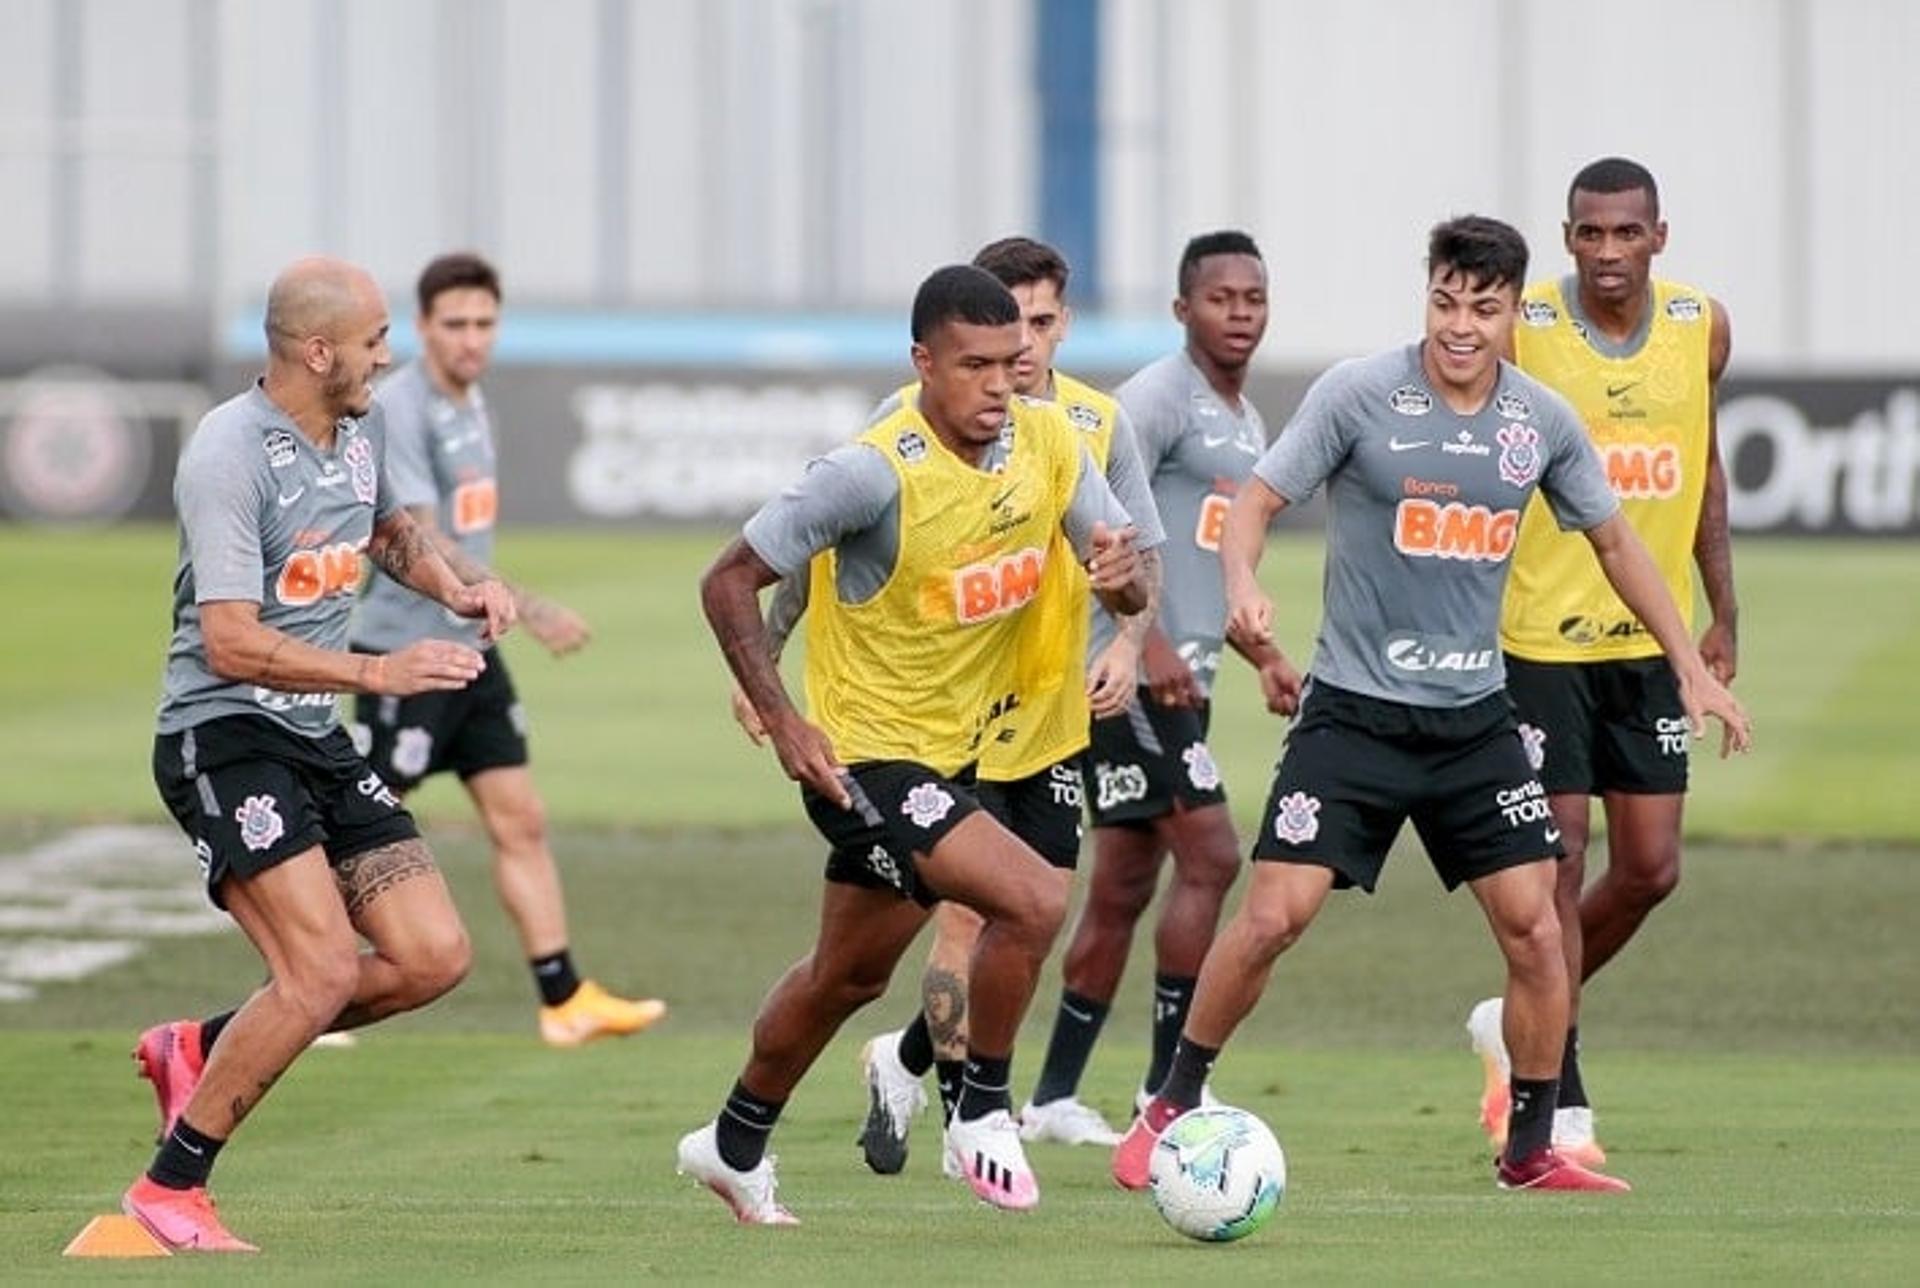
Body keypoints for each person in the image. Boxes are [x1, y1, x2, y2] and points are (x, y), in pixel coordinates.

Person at [1112, 216, 1751, 1195]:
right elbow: (1255, 501)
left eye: (1484, 307)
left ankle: (1531, 1147)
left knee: (1537, 928)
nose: (1461, 325)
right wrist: (1240, 578)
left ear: (1510, 311)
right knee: (1274, 916)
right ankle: (1168, 1103)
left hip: (1474, 723)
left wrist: (1690, 661)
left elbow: (1618, 544)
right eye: (1446, 301)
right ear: (1429, 296)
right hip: (1354, 714)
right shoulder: (1360, 393)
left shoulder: (1538, 420)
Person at [679, 264, 1149, 1222]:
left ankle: (731, 1141)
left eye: (1011, 364)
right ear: (922, 363)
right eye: (972, 365)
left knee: (846, 976)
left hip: (959, 754)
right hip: (860, 757)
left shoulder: (1052, 443)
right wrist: (781, 716)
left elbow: (1129, 584)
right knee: (1034, 897)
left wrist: (1122, 579)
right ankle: (981, 1108)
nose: (996, 386)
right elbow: (727, 579)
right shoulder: (871, 469)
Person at [126, 256, 517, 1251]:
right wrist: (378, 673)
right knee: (320, 971)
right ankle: (171, 1188)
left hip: (311, 733)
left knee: (436, 955)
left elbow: (387, 531)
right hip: (223, 733)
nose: (389, 356)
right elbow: (229, 640)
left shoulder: (360, 428)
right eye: (376, 339)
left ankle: (200, 1044)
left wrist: (457, 588)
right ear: (317, 350)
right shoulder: (228, 452)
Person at [1466, 157, 1738, 1166]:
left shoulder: (1700, 324)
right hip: (1538, 640)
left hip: (1650, 642)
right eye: (1591, 233)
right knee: (1561, 857)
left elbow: (1702, 471)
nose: (1609, 251)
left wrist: (1725, 611)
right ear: (1569, 236)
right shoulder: (1524, 325)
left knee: (1652, 869)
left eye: (1628, 233)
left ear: (1659, 236)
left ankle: (1518, 1016)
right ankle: (1561, 1080)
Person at [349, 252, 665, 1047]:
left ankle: (564, 999)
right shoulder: (403, 409)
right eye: (454, 324)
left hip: (473, 648)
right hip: (406, 653)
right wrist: (529, 601)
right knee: (355, 826)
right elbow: (421, 535)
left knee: (520, 817)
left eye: (484, 323)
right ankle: (306, 983)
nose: (471, 339)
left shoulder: (472, 402)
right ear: (421, 328)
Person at [1021, 231, 1295, 1144]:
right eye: (1221, 299)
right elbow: (1117, 523)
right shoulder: (1153, 400)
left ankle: (1054, 1095)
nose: (1240, 314)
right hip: (1130, 675)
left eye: (1253, 298)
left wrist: (1260, 657)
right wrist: (1148, 642)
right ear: (1183, 310)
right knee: (1214, 857)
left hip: (1189, 677)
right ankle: (1166, 1085)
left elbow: (1206, 548)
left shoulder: (1246, 419)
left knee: (1123, 886)